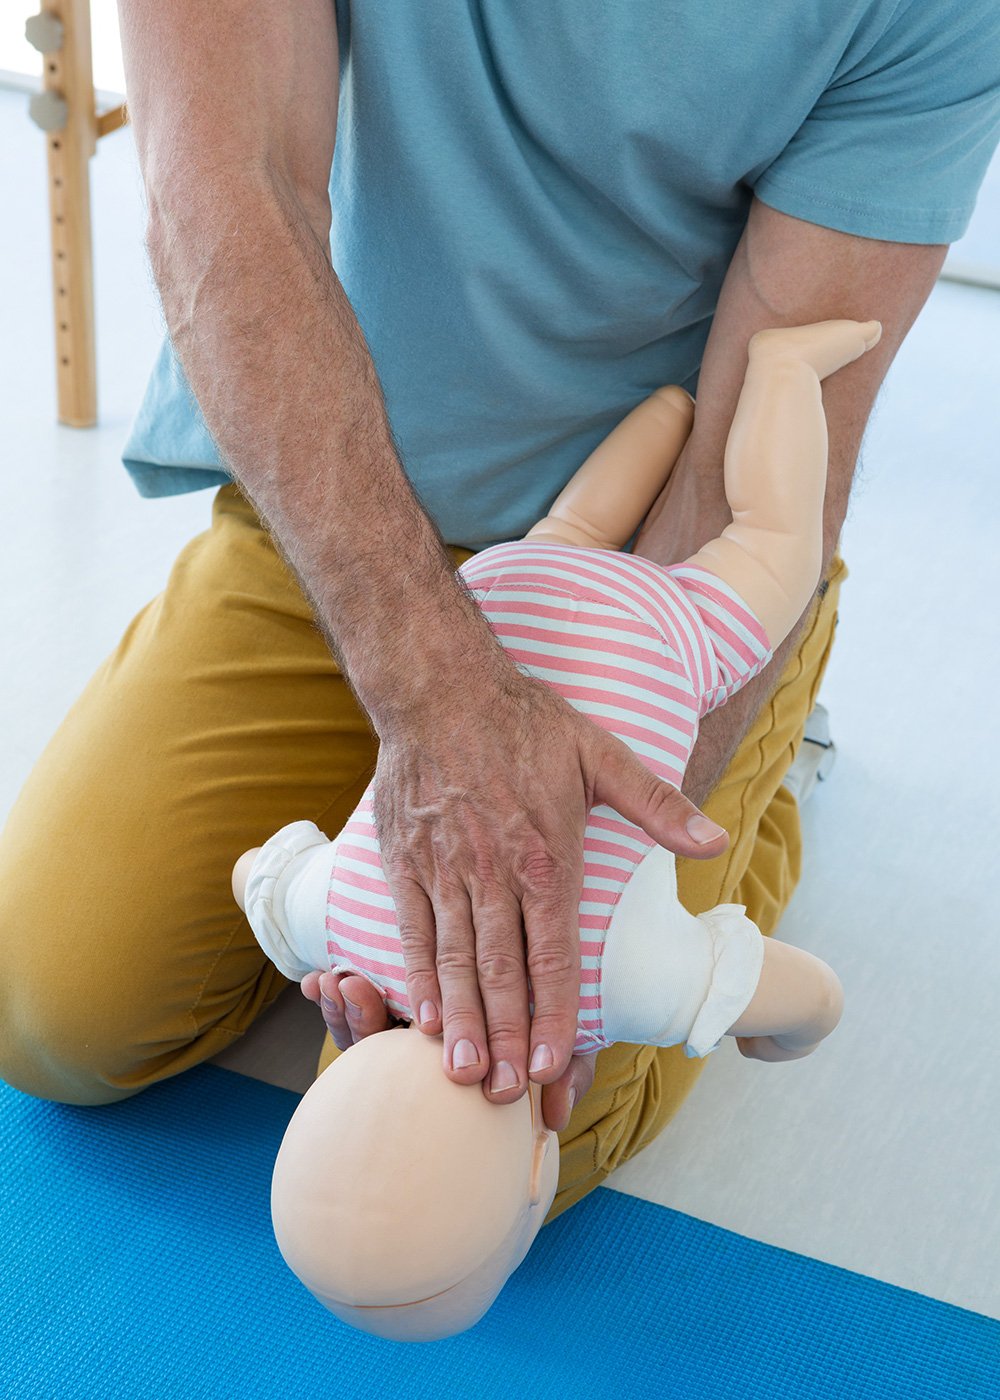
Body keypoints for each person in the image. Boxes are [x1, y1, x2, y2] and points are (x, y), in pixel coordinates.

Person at [0, 1, 997, 1232]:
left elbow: (763, 425)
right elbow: (224, 189)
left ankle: (771, 775)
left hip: (651, 583)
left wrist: (576, 889)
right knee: (53, 1011)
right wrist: (433, 710)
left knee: (486, 1145)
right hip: (342, 512)